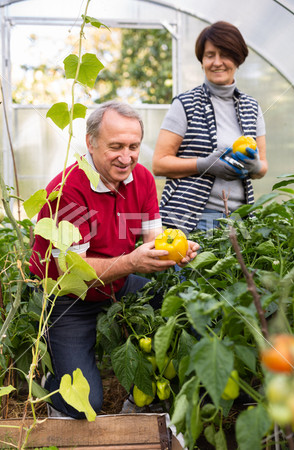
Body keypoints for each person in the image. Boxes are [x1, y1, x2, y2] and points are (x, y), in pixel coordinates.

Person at [29, 101, 199, 418]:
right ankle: (52, 379)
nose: (126, 157)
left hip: (116, 284)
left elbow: (154, 241)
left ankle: (152, 392)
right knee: (84, 406)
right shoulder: (68, 190)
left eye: (133, 146)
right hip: (67, 297)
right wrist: (133, 263)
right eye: (116, 146)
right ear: (91, 143)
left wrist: (177, 250)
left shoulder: (143, 180)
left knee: (187, 305)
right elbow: (72, 273)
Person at [152, 21, 268, 233]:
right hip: (191, 219)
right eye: (209, 55)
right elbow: (159, 164)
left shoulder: (252, 107)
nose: (217, 62)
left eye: (225, 54)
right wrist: (204, 164)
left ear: (238, 58)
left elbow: (263, 167)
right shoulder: (185, 104)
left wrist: (254, 166)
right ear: (202, 60)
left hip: (238, 218)